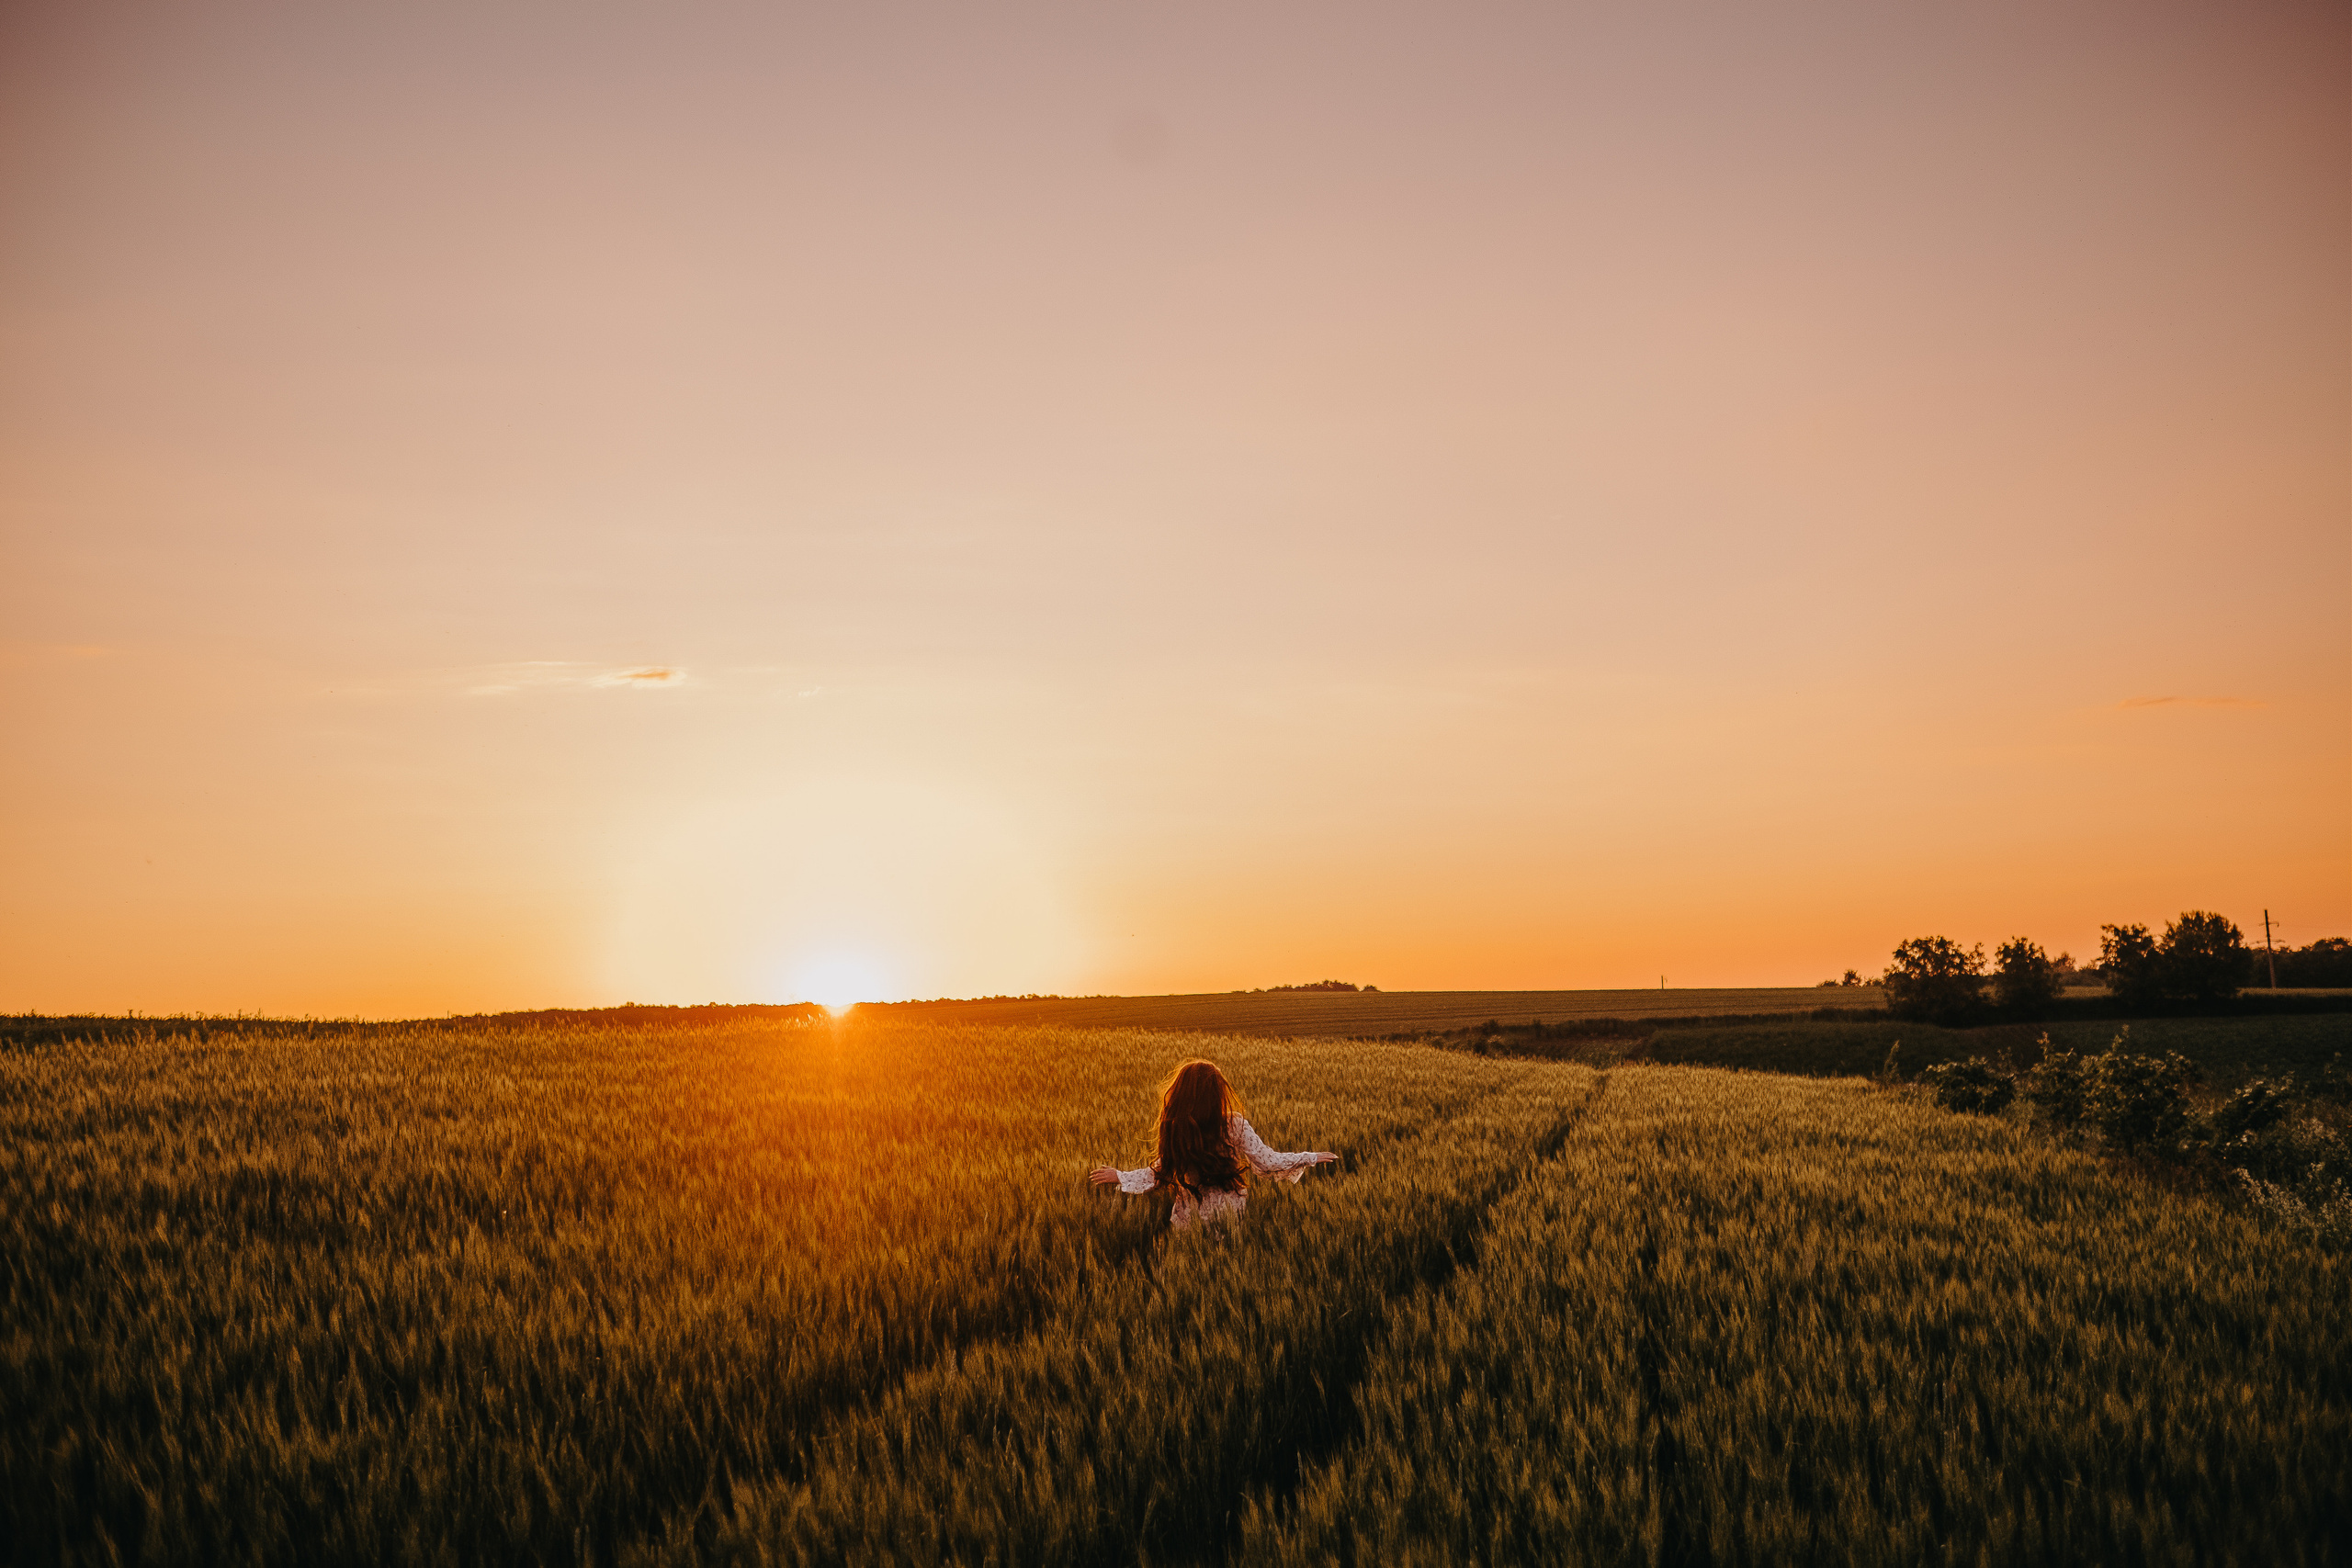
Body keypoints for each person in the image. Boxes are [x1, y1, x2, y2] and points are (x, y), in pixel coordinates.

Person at [1089, 1058, 1339, 1230]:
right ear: (1218, 1092)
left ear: (1180, 1093)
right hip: (1229, 1208)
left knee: (1188, 1267)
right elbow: (1268, 1161)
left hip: (1190, 1208)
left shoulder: (1178, 1126)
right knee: (1225, 1261)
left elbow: (1159, 1172)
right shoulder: (1234, 1124)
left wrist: (1120, 1176)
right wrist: (1310, 1156)